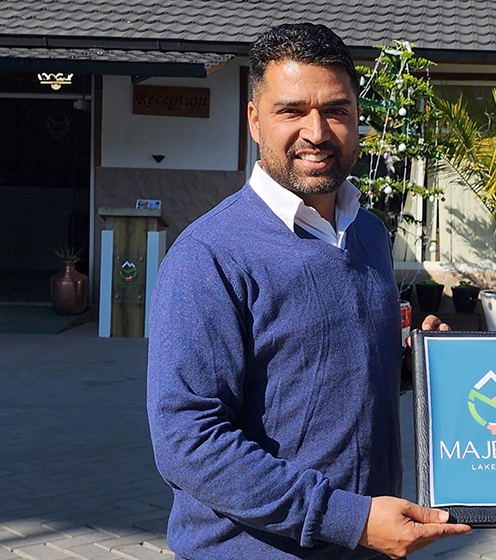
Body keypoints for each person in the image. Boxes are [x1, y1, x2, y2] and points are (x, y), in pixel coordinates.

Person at [146, 23, 469, 560]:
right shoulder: (208, 255)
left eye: (336, 110)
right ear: (254, 120)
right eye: (291, 111)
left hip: (365, 546)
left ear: (358, 117)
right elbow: (188, 441)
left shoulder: (367, 233)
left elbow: (327, 372)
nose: (316, 132)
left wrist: (417, 366)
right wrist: (349, 518)